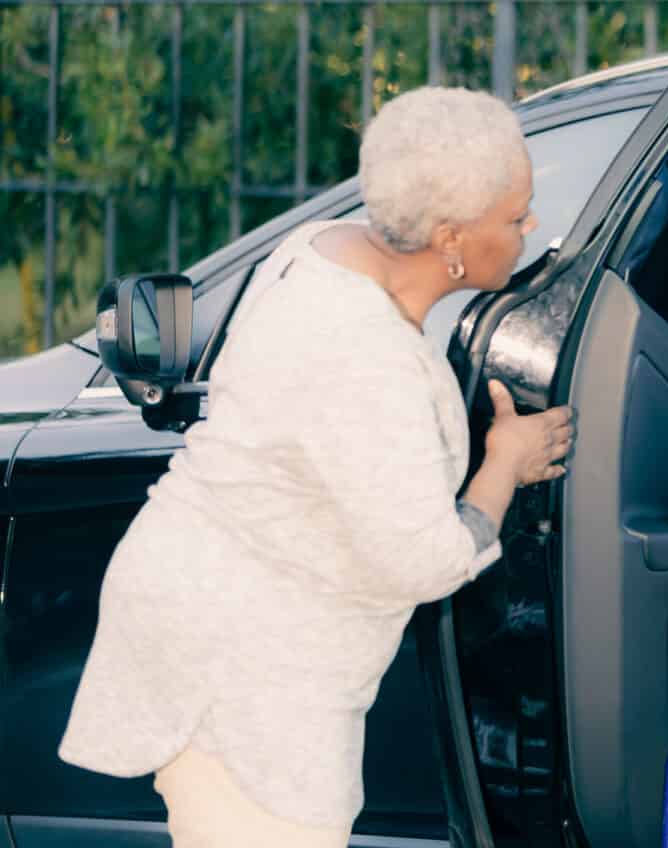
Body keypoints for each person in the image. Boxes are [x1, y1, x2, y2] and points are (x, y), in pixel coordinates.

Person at [59, 87, 575, 847]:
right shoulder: (360, 353)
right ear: (450, 238)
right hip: (243, 667)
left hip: (222, 618)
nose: (531, 228)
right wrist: (505, 463)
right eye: (515, 216)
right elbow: (424, 561)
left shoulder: (324, 245)